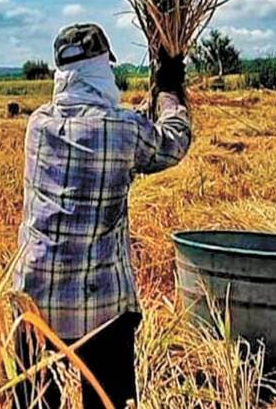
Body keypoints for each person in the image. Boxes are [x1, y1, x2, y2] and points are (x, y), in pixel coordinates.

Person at [12, 23, 191, 409]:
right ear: (101, 69)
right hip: (100, 305)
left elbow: (111, 129)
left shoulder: (38, 124)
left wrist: (150, 101)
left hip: (33, 299)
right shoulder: (124, 129)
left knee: (35, 403)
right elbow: (173, 141)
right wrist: (169, 91)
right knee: (110, 402)